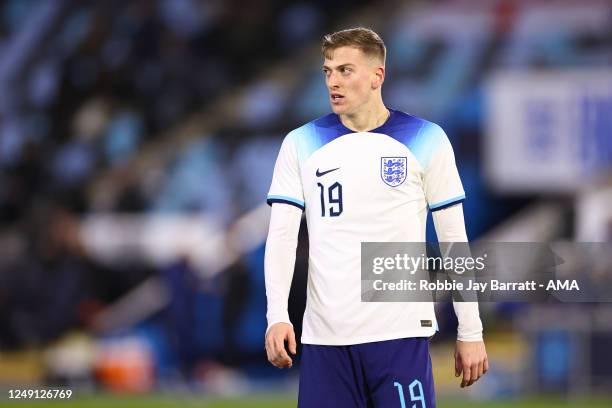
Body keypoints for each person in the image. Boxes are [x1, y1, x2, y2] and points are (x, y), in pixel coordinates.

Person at [264, 27, 487, 407]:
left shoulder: (427, 139)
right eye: (327, 71)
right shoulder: (300, 143)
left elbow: (454, 242)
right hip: (325, 340)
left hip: (399, 336)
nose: (333, 81)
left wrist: (471, 329)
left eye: (345, 70)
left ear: (376, 76)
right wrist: (277, 315)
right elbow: (282, 237)